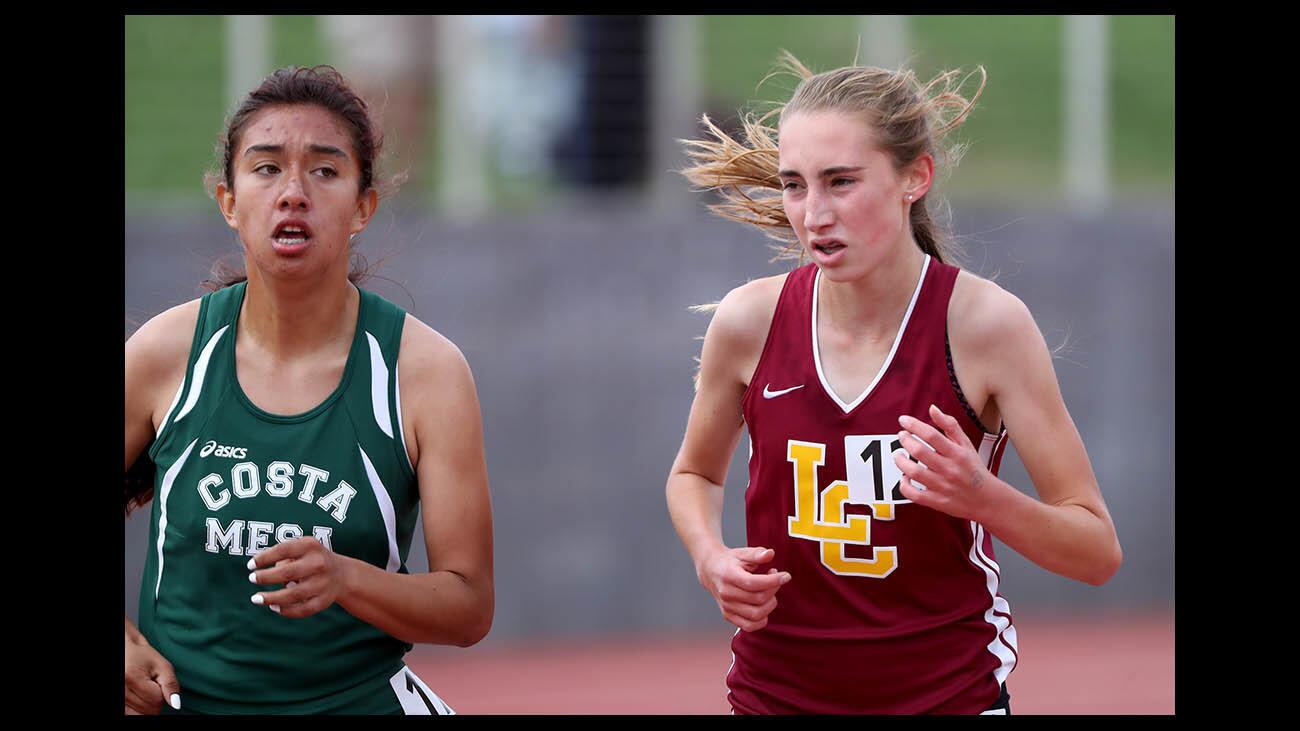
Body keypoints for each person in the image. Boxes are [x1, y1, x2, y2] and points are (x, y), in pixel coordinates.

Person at [665, 53, 1122, 715]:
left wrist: (981, 495)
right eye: (794, 185)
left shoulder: (985, 326)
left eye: (841, 181)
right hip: (777, 698)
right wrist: (710, 556)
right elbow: (694, 475)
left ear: (915, 176)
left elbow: (1096, 549)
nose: (813, 212)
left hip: (947, 697)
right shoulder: (749, 322)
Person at [123, 66, 493, 715]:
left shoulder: (424, 371)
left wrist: (346, 576)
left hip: (353, 700)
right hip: (184, 700)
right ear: (229, 200)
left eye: (324, 171)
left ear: (363, 207)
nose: (293, 192)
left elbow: (468, 605)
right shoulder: (163, 354)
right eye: (266, 169)